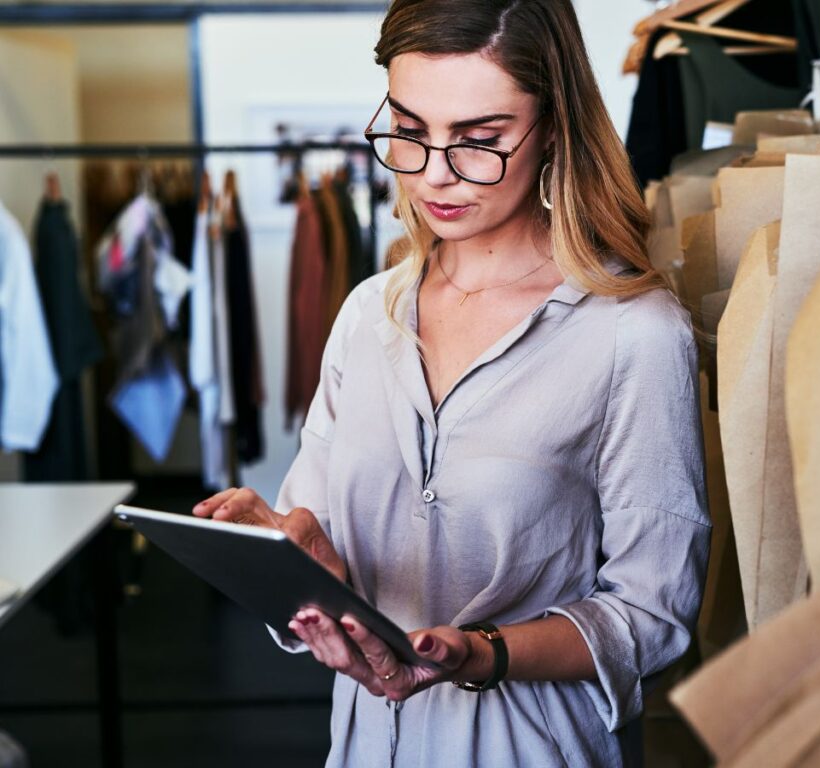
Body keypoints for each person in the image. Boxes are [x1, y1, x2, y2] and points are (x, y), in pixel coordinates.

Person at [192, 1, 710, 765]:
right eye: (408, 131)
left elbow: (651, 614)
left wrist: (479, 653)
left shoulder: (633, 332)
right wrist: (301, 563)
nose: (435, 173)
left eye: (479, 140)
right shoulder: (370, 313)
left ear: (556, 126)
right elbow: (320, 534)